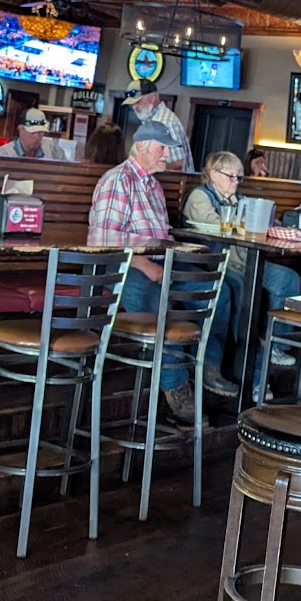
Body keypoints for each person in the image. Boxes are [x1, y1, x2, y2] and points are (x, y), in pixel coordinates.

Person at [88, 121, 231, 424]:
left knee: (219, 291)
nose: (168, 153)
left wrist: (172, 258)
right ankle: (176, 389)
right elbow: (103, 241)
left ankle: (208, 368)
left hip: (160, 259)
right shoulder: (118, 180)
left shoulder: (152, 184)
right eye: (162, 147)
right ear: (141, 146)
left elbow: (161, 235)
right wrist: (145, 265)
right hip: (123, 265)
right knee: (159, 300)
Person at [182, 151, 301, 385]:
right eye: (232, 176)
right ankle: (252, 374)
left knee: (287, 278)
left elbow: (257, 223)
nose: (236, 181)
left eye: (239, 177)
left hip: (246, 261)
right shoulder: (200, 196)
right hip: (215, 262)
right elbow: (214, 225)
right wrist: (247, 223)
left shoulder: (238, 200)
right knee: (242, 290)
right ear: (214, 174)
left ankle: (277, 345)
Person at [122, 79, 194, 171]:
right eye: (132, 104)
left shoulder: (166, 122)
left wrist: (146, 168)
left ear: (152, 98)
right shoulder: (151, 121)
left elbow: (178, 164)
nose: (134, 107)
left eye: (137, 102)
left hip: (171, 184)